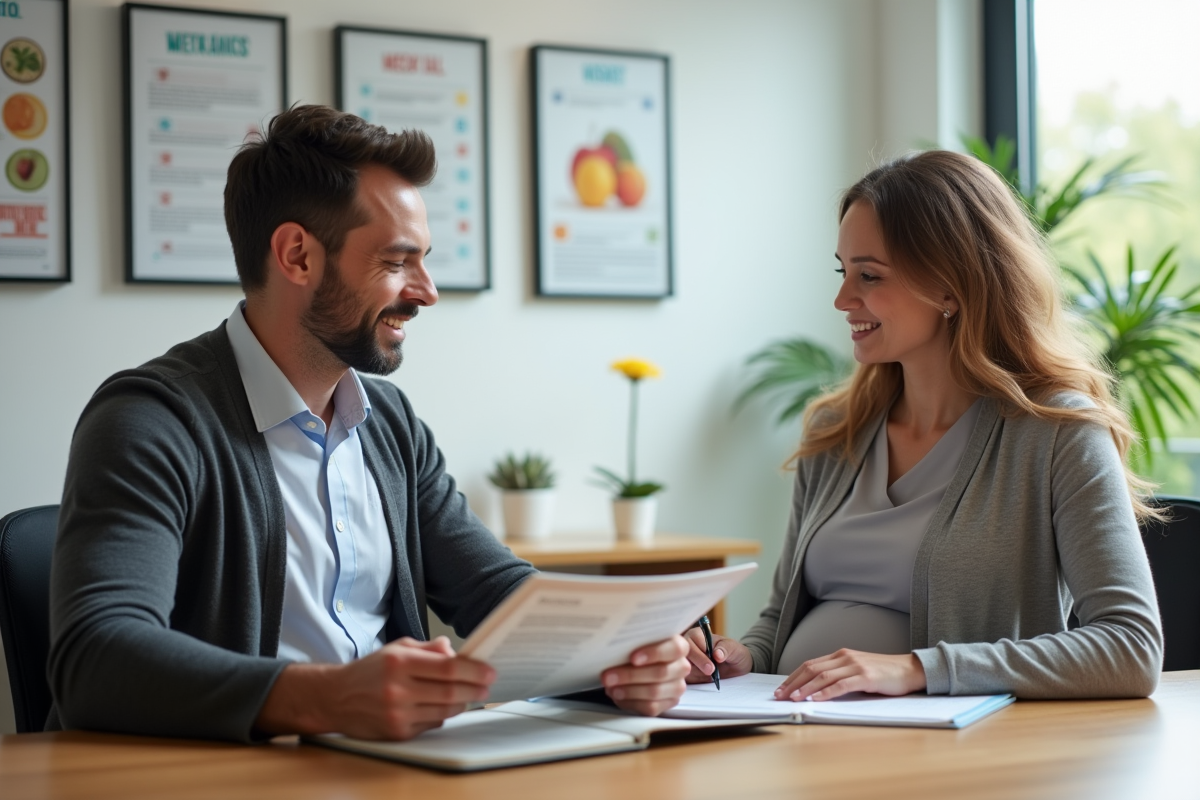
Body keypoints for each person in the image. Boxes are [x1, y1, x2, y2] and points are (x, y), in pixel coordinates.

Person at [47, 105, 689, 742]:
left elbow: (494, 589)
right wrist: (325, 698)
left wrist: (619, 658)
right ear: (297, 255)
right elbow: (96, 658)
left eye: (425, 259)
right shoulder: (149, 421)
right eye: (396, 261)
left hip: (393, 772)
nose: (427, 290)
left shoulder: (389, 425)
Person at [686, 150, 1163, 702]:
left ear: (950, 286)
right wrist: (740, 656)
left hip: (952, 755)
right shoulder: (836, 431)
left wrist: (918, 669)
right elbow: (779, 618)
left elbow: (1131, 648)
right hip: (798, 732)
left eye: (869, 275)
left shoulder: (1058, 433)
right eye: (843, 272)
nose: (842, 299)